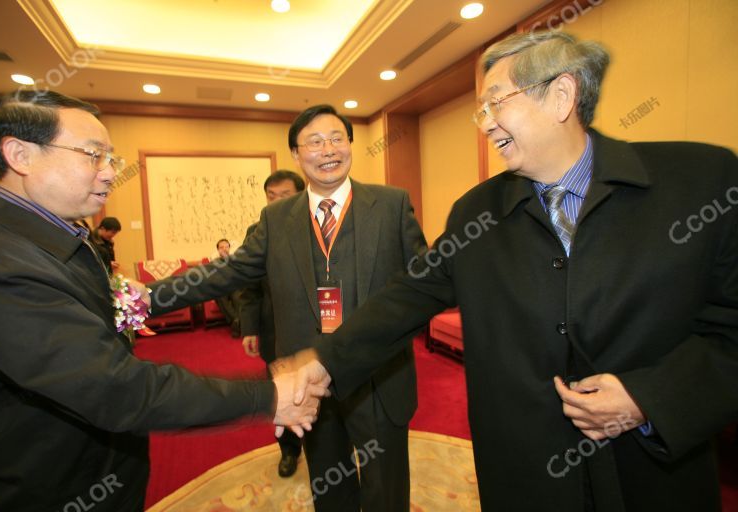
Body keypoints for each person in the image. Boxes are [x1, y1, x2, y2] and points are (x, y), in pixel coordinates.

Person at [289, 31, 738, 511]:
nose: (485, 124)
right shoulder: (476, 214)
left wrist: (649, 398)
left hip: (652, 473)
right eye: (481, 111)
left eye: (495, 103)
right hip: (526, 478)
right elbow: (406, 297)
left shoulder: (700, 183)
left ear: (561, 95)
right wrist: (324, 362)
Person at [0, 90, 326, 512]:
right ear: (20, 155)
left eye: (111, 159)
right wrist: (269, 397)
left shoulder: (51, 235)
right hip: (50, 486)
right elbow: (114, 387)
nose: (108, 174)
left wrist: (141, 299)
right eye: (93, 155)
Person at [150, 104, 427, 511]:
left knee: (387, 489)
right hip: (309, 378)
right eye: (314, 142)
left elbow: (422, 283)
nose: (328, 149)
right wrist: (150, 298)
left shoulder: (391, 205)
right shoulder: (276, 218)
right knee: (329, 483)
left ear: (350, 145)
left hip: (379, 376)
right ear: (296, 156)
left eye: (336, 138)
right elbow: (227, 272)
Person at [237, 170, 306, 477]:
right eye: (271, 196)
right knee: (283, 393)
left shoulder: (319, 226)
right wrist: (249, 327)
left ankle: (325, 448)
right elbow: (248, 284)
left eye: (285, 195)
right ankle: (289, 451)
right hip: (273, 329)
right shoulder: (257, 231)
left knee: (322, 391)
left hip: (316, 330)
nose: (277, 202)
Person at [213, 238, 241, 336]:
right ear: (218, 250)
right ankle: (236, 321)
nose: (224, 249)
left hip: (234, 286)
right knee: (220, 297)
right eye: (221, 247)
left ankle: (236, 325)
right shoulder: (214, 263)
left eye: (226, 247)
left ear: (229, 248)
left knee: (237, 297)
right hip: (222, 288)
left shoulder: (235, 260)